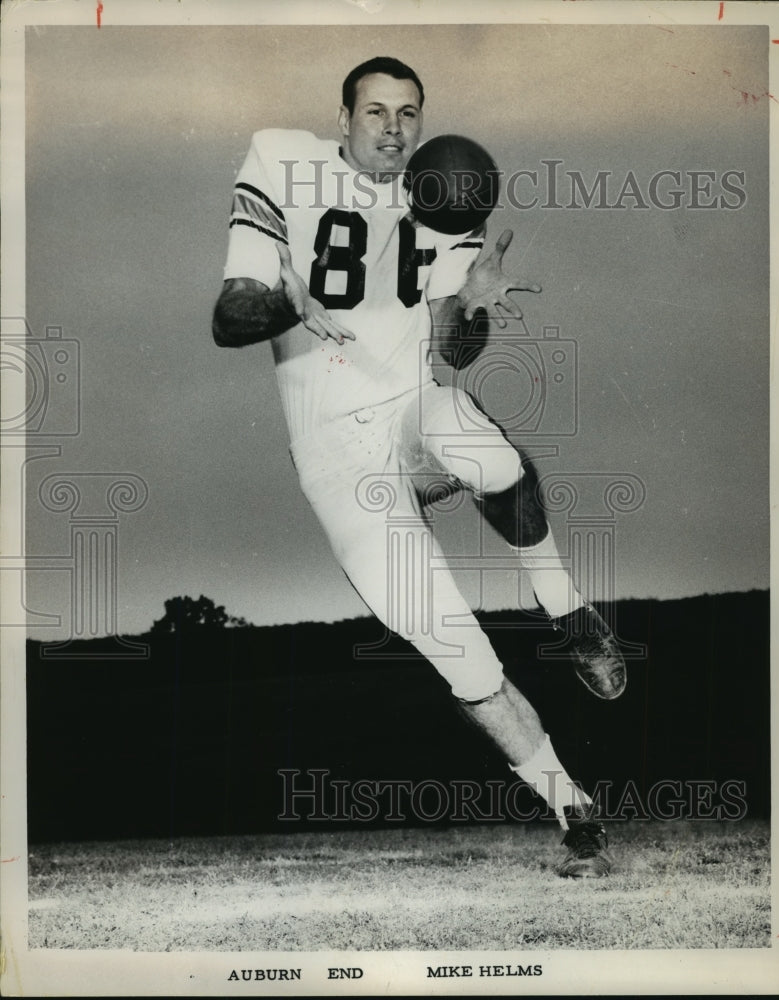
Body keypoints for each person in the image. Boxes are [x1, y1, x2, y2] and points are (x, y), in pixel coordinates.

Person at [212, 56, 626, 878]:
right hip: (335, 452)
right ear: (342, 119)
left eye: (409, 113)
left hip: (410, 414)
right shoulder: (282, 164)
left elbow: (452, 352)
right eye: (375, 112)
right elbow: (228, 320)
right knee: (460, 654)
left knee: (482, 442)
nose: (394, 130)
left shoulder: (440, 192)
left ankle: (570, 615)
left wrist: (472, 306)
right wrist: (289, 302)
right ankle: (571, 806)